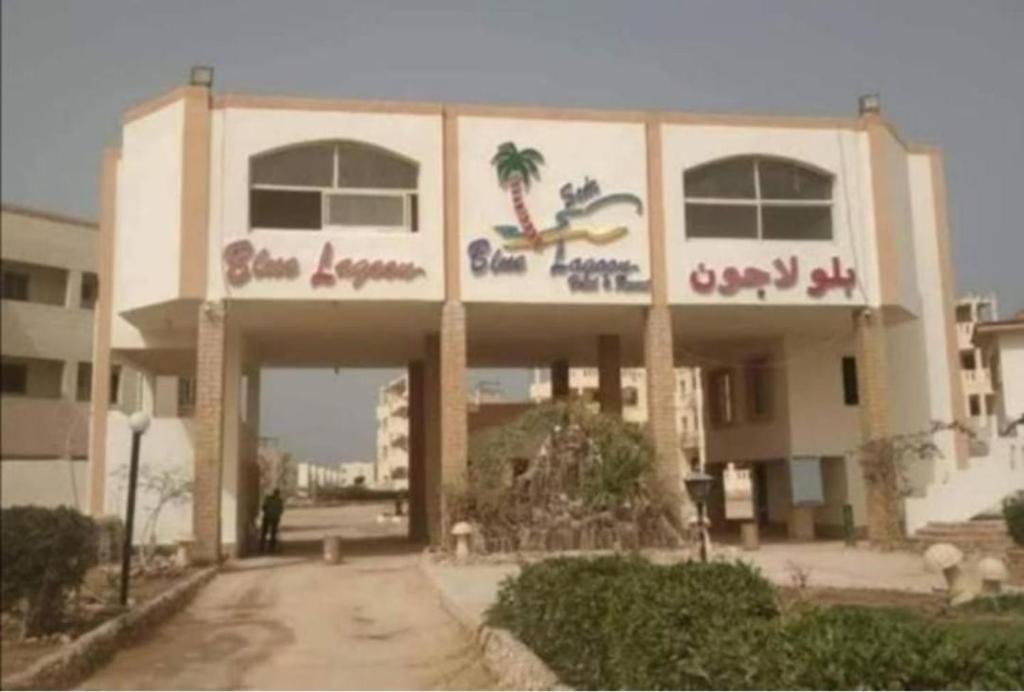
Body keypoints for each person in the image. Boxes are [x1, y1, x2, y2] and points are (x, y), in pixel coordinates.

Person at [260, 489, 284, 553]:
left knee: (264, 532)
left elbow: (263, 507)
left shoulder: (268, 499)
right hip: (275, 518)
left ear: (273, 493)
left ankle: (261, 546)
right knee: (273, 533)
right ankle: (271, 547)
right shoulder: (279, 501)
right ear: (278, 494)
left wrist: (267, 512)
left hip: (267, 517)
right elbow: (281, 510)